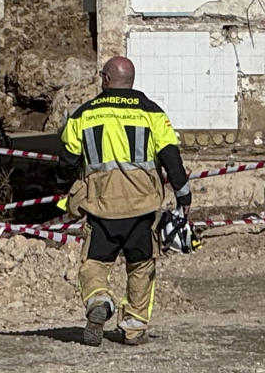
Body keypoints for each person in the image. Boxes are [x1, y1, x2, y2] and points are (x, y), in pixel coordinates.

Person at [58, 55, 192, 347]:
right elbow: (171, 156)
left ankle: (99, 300)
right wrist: (184, 195)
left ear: (106, 79)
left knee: (93, 264)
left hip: (100, 206)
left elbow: (66, 159)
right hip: (142, 208)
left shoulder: (84, 115)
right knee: (141, 266)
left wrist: (62, 189)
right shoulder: (152, 113)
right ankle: (133, 328)